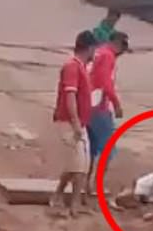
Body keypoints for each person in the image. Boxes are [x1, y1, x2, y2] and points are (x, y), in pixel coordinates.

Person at [50, 30, 97, 217]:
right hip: (70, 122)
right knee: (79, 166)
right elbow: (70, 96)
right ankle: (74, 204)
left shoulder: (80, 67)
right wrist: (76, 123)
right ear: (89, 48)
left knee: (77, 164)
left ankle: (58, 195)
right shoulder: (72, 67)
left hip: (78, 122)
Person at [87, 31, 129, 208]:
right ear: (117, 43)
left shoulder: (99, 52)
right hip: (99, 107)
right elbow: (106, 82)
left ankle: (86, 184)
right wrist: (116, 103)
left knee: (91, 148)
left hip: (89, 104)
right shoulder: (108, 56)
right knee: (107, 149)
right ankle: (96, 185)